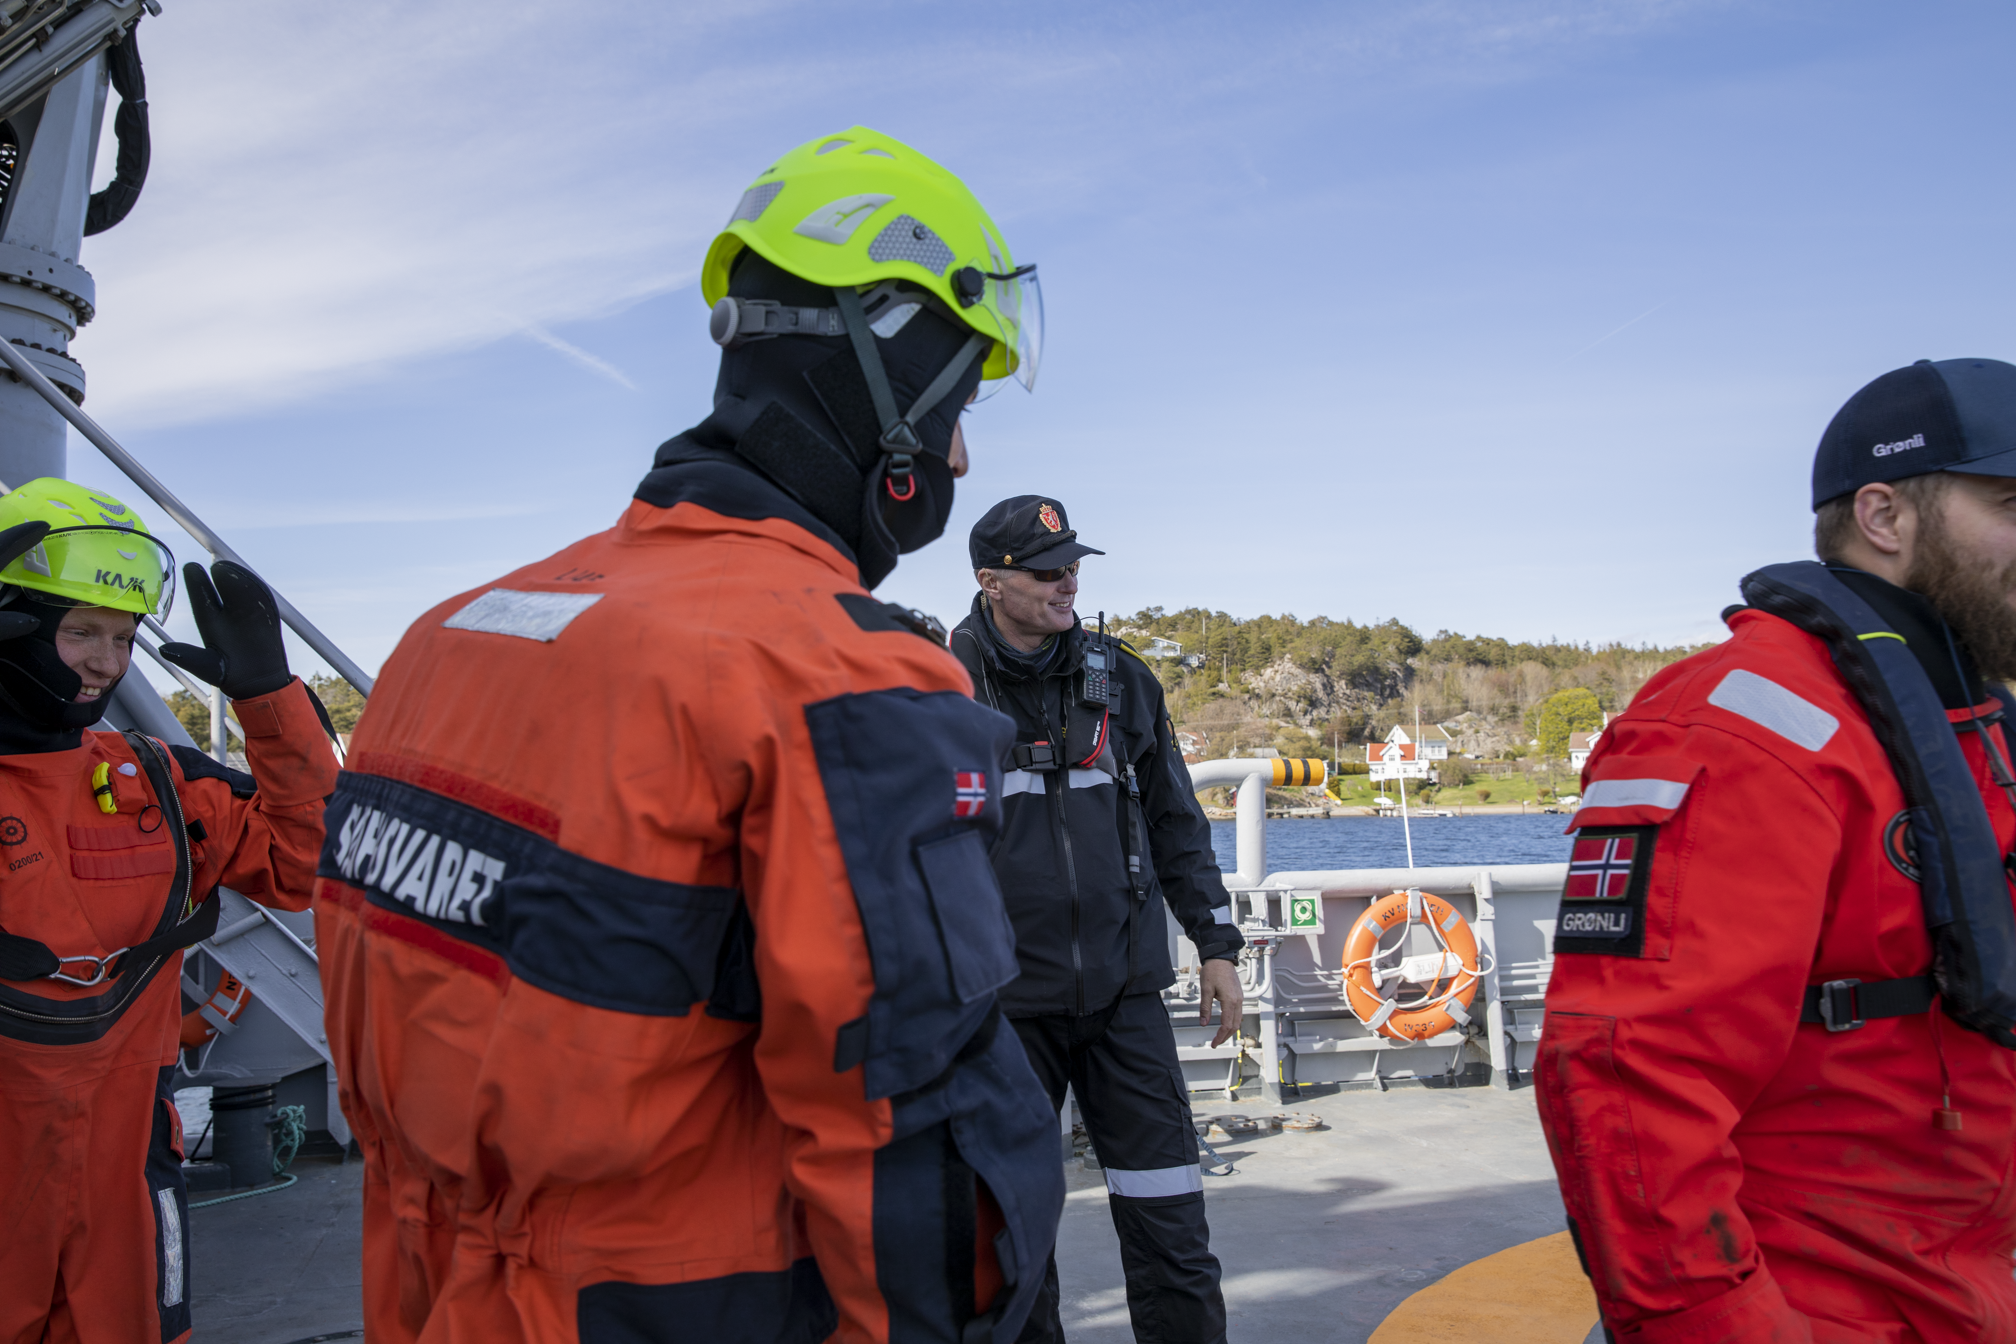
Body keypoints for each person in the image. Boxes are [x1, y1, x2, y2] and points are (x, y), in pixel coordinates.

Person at [315, 126, 1064, 1344]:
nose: (962, 453)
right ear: (889, 376)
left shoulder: (442, 637)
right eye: (960, 402)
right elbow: (909, 1137)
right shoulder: (844, 675)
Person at [1537, 358, 2016, 1342]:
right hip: (1825, 1308)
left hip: (1964, 1285)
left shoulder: (1973, 725)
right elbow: (1623, 1074)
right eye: (2012, 503)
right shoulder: (1732, 733)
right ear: (1885, 516)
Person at [0, 477, 335, 1343]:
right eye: (79, 631)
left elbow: (312, 865)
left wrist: (268, 698)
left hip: (128, 1172)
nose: (107, 664)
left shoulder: (158, 778)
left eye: (121, 638)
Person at [948, 496, 1244, 1344]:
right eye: (1046, 570)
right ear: (991, 581)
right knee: (1012, 1245)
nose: (1066, 579)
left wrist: (1216, 945)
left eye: (1073, 564)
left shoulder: (1123, 680)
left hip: (1125, 1001)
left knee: (1172, 1229)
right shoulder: (939, 685)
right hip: (1001, 1014)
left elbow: (1177, 823)